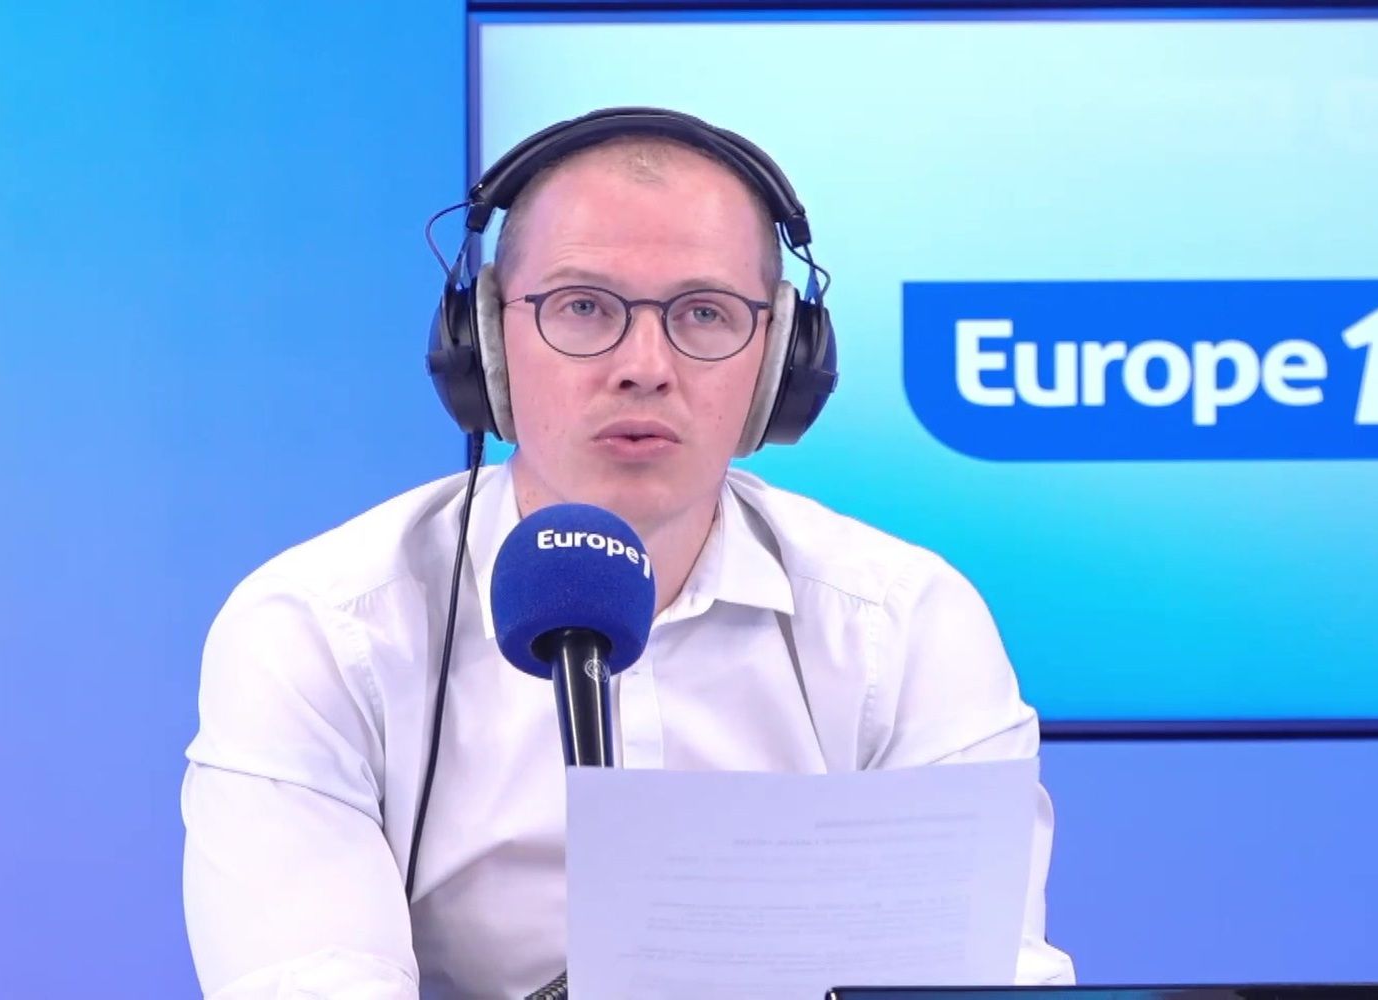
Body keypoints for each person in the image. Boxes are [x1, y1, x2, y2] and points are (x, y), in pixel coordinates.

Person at [180, 107, 1074, 999]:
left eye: (705, 313)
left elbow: (988, 979)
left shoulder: (904, 626)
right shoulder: (321, 629)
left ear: (779, 361)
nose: (645, 365)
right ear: (486, 341)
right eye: (583, 306)